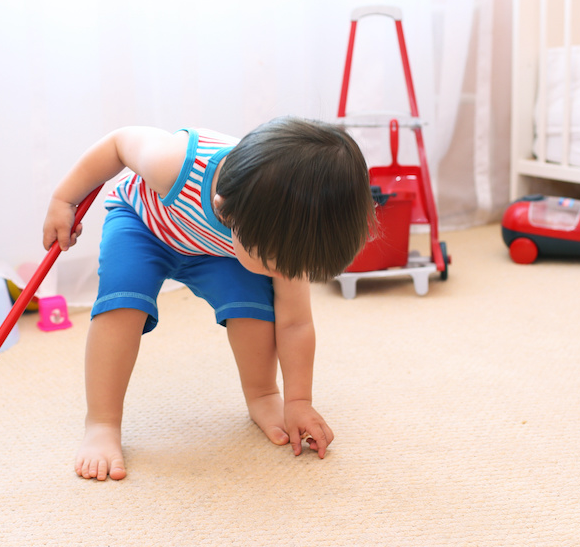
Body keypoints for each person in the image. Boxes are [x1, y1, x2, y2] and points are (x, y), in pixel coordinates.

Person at [42, 116, 375, 481]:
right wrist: (64, 198)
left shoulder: (283, 234)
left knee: (255, 306)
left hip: (218, 249)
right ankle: (102, 422)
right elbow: (119, 142)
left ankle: (263, 395)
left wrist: (298, 401)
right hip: (145, 225)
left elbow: (295, 323)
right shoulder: (171, 163)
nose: (282, 275)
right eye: (274, 266)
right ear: (227, 211)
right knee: (123, 303)